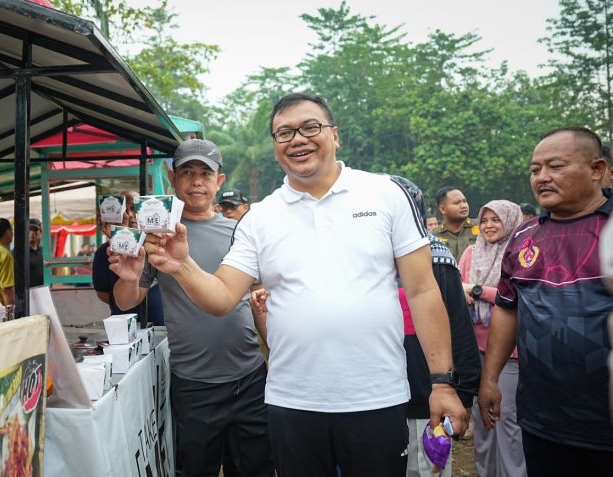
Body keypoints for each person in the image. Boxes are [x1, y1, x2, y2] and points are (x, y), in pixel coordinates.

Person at [141, 94, 466, 476]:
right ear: (276, 146)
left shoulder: (385, 194)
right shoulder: (260, 217)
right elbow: (222, 296)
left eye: (310, 127)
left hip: (376, 396)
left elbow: (423, 290)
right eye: (284, 132)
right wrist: (182, 266)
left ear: (335, 135)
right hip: (291, 403)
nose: (298, 139)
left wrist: (442, 383)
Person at [110, 139, 273, 477]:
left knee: (256, 468)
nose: (196, 181)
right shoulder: (157, 237)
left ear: (219, 181)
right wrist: (130, 276)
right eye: (187, 172)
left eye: (205, 173)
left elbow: (258, 302)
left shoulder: (242, 234)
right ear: (173, 178)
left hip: (249, 378)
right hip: (194, 384)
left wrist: (274, 350)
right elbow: (127, 300)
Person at [478, 127, 613, 476]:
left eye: (555, 166)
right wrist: (490, 379)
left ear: (597, 169)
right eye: (535, 169)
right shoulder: (525, 235)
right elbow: (508, 308)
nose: (542, 177)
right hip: (543, 417)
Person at [392, 176, 480, 477]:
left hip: (425, 393)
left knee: (425, 467)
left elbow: (458, 323)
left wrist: (465, 391)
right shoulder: (361, 256)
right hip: (376, 393)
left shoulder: (437, 256)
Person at [458, 200, 526, 477]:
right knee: (482, 419)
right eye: (484, 220)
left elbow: (514, 297)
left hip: (509, 351)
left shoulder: (521, 253)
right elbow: (456, 289)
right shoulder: (470, 254)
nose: (488, 226)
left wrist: (476, 290)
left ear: (510, 221)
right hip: (476, 349)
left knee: (507, 417)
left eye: (495, 220)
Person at [92, 191, 164, 326]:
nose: (129, 215)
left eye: (134, 209)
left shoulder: (157, 246)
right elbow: (103, 293)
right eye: (124, 210)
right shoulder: (104, 252)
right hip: (123, 326)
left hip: (159, 325)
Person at [433, 186, 478, 259]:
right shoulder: (433, 237)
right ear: (442, 209)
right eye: (457, 203)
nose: (463, 206)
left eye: (464, 201)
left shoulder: (482, 228)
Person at [28, 218, 44, 287]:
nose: (32, 233)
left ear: (40, 233)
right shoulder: (19, 253)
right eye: (30, 230)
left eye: (35, 230)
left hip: (43, 291)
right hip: (27, 293)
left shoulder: (43, 251)